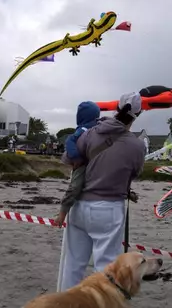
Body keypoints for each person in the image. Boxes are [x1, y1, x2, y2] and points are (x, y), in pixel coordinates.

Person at [55, 92, 146, 292]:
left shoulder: (89, 133)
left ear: (117, 109)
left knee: (72, 265)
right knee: (106, 269)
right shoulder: (138, 146)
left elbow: (69, 158)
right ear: (137, 115)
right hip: (109, 209)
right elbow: (135, 173)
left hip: (79, 206)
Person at [64, 101, 101, 166]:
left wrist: (76, 158)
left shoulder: (84, 129)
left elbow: (70, 140)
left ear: (80, 115)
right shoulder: (100, 127)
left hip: (83, 163)